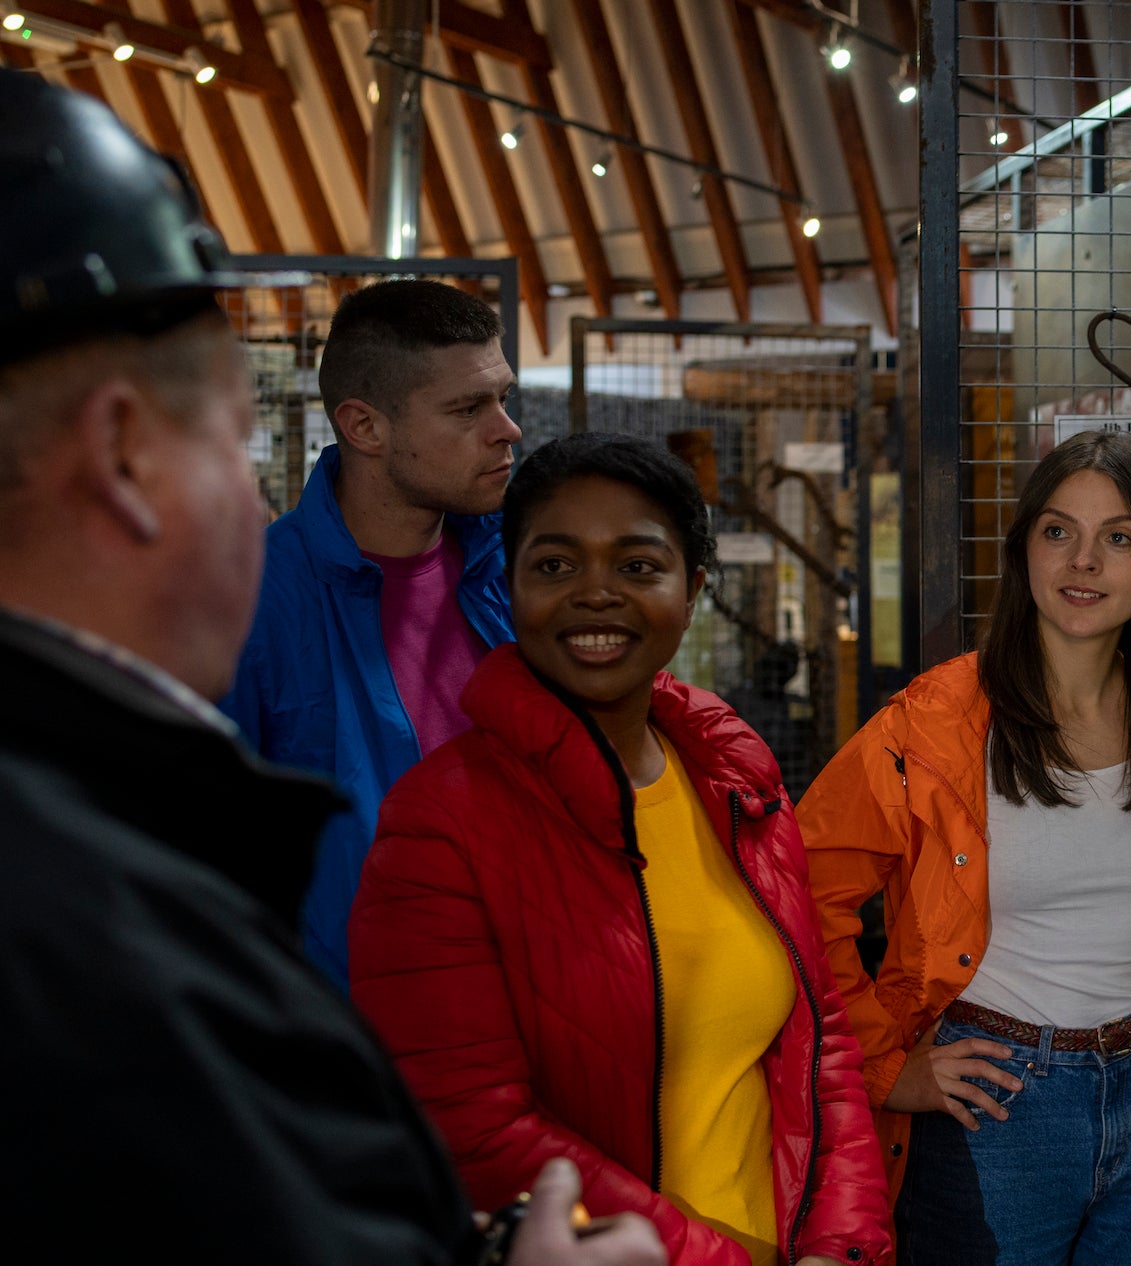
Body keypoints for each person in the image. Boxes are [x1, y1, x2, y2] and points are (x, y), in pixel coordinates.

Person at [0, 68, 659, 1265]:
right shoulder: (112, 907)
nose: (507, 433)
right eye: (231, 437)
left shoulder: (520, 584)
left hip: (529, 1055)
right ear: (122, 455)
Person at [351, 433, 893, 1266]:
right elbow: (473, 1128)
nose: (596, 593)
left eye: (637, 566)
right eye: (556, 565)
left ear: (694, 589)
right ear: (510, 584)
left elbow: (823, 1043)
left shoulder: (737, 784)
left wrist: (844, 1245)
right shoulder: (438, 824)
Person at [797, 430, 1131, 1266]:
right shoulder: (933, 724)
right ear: (1024, 552)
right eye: (1058, 532)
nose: (1084, 561)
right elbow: (802, 884)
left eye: (1118, 538)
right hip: (996, 1101)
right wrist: (884, 1064)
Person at [221, 276, 520, 984]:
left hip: (518, 992)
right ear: (364, 428)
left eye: (503, 398)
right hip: (343, 1015)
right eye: (468, 408)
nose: (506, 429)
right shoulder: (250, 601)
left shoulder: (521, 573)